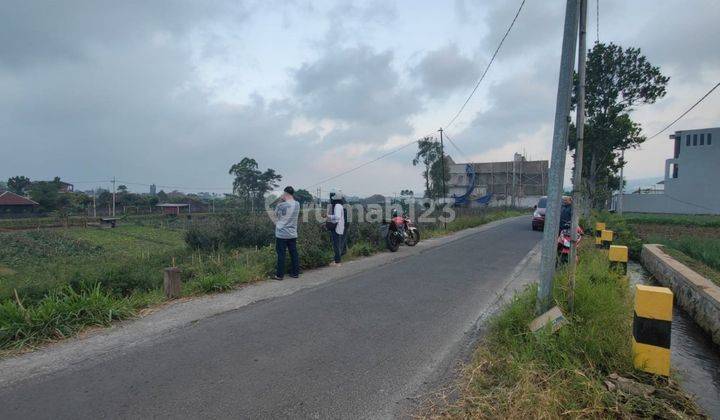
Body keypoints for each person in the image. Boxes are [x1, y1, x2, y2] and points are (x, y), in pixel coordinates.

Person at [274, 186, 300, 280]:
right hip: (292, 234)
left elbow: (275, 214)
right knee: (294, 253)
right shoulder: (297, 204)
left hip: (281, 234)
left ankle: (279, 275)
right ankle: (295, 273)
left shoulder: (281, 205)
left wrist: (281, 200)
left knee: (281, 254)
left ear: (285, 193)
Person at [327, 191, 346, 266]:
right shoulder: (340, 205)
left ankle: (337, 261)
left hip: (336, 228)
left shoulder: (337, 206)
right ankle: (337, 260)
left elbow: (337, 217)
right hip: (338, 227)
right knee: (337, 244)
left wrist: (329, 216)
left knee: (336, 245)